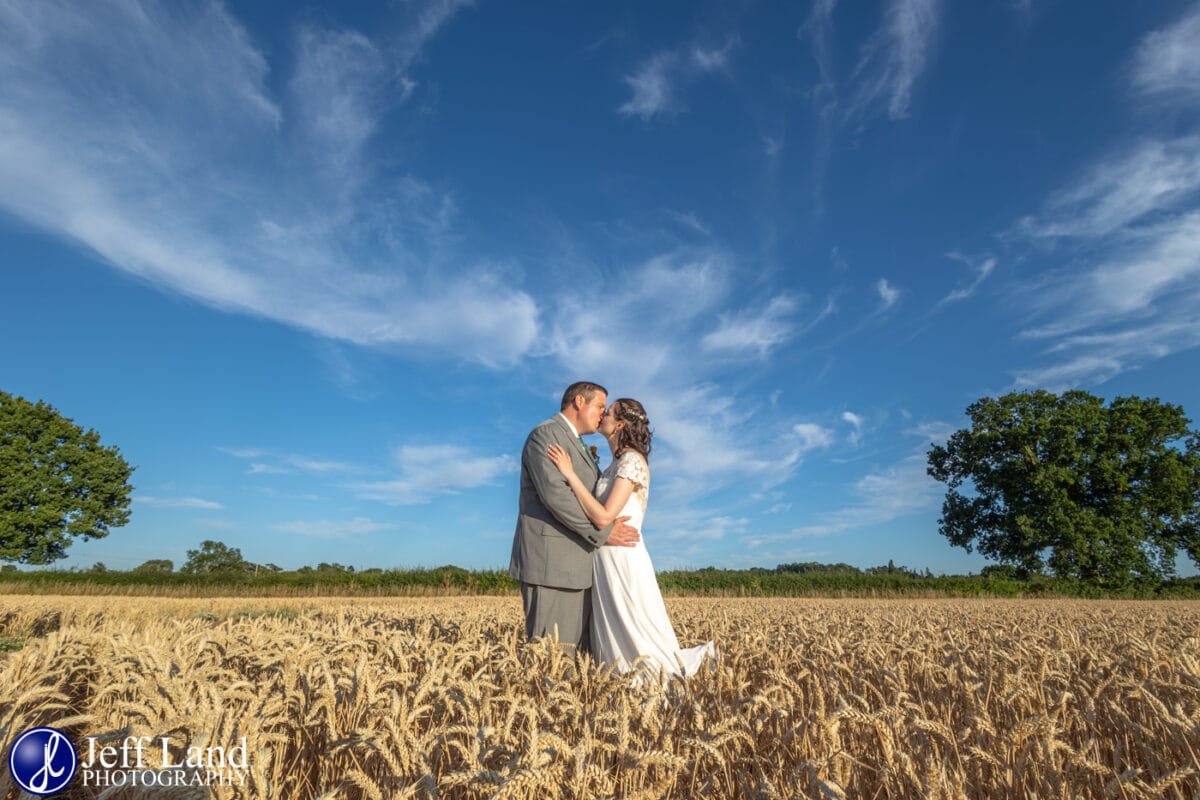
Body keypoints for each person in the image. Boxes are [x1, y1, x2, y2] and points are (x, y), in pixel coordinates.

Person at [546, 397, 716, 685]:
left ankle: (651, 683)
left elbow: (603, 517)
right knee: (612, 627)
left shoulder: (632, 461)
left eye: (608, 412)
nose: (602, 415)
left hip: (624, 558)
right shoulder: (614, 465)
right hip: (604, 558)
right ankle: (620, 685)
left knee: (633, 623)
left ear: (620, 424)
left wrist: (569, 474)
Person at [508, 382, 641, 656]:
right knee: (552, 658)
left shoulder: (577, 443)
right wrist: (604, 533)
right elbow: (557, 498)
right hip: (552, 566)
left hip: (581, 565)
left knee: (579, 660)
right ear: (580, 401)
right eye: (600, 407)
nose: (602, 414)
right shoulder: (545, 436)